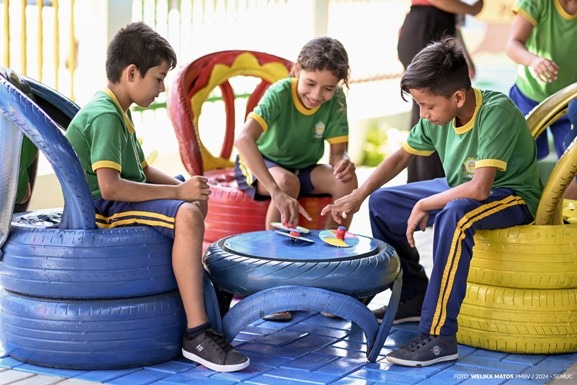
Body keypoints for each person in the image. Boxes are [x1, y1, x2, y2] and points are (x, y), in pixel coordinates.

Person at [321, 37, 543, 367]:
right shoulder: (436, 118)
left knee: (456, 214)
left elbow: (480, 189)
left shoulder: (496, 112)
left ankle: (439, 337)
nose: (423, 115)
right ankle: (413, 293)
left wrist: (426, 204)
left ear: (457, 96)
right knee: (384, 202)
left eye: (427, 106)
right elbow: (400, 157)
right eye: (418, 106)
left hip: (510, 195)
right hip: (461, 188)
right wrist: (359, 195)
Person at [65, 21, 249, 373]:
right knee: (187, 214)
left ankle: (202, 287)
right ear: (131, 72)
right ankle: (196, 333)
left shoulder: (117, 110)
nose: (162, 88)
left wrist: (188, 187)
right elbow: (111, 187)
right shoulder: (105, 115)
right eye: (159, 77)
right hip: (102, 210)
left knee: (191, 199)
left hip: (115, 200)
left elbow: (143, 170)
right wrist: (179, 194)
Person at [234, 36, 358, 322]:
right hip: (261, 164)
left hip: (303, 167)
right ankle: (274, 285)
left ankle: (329, 274)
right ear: (297, 69)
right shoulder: (280, 93)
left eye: (328, 88)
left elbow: (337, 152)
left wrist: (344, 162)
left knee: (347, 184)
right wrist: (276, 191)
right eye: (311, 83)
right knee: (287, 184)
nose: (317, 95)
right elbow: (244, 140)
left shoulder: (336, 100)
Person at [397, 0, 484, 183]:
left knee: (438, 112)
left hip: (439, 26)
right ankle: (428, 184)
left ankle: (428, 183)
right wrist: (472, 9)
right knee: (429, 114)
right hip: (424, 26)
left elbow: (450, 28)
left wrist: (465, 57)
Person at [506, 0, 577, 161]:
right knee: (518, 161)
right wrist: (533, 61)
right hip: (529, 98)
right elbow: (512, 45)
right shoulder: (536, 3)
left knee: (571, 165)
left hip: (571, 102)